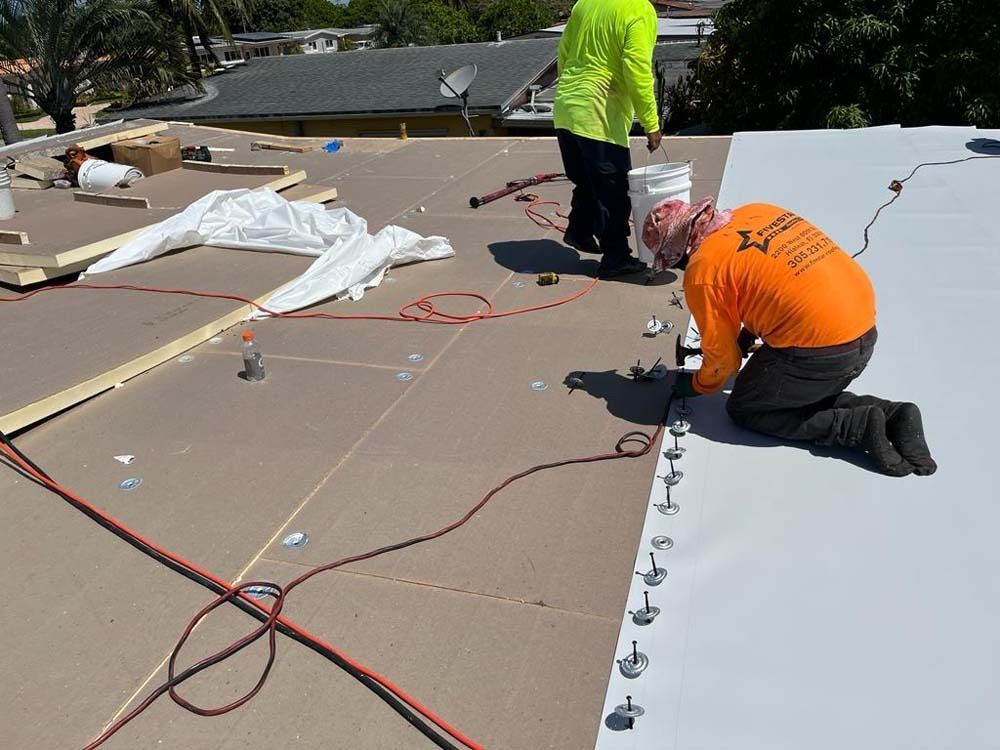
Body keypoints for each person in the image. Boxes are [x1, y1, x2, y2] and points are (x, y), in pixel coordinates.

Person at [644, 198, 936, 477]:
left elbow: (724, 363)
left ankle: (855, 427)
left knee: (747, 407)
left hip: (823, 354)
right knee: (790, 392)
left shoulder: (703, 270)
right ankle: (892, 414)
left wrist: (696, 384)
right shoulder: (756, 212)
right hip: (863, 330)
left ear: (679, 251)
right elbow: (772, 281)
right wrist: (747, 333)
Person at [553, 0, 660, 279]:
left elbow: (563, 53)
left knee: (588, 180)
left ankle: (578, 230)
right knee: (613, 192)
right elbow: (637, 69)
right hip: (599, 111)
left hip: (566, 107)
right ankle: (615, 258)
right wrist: (651, 123)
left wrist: (575, 95)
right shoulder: (639, 10)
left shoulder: (585, 4)